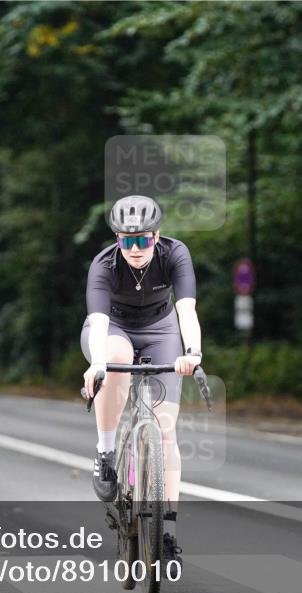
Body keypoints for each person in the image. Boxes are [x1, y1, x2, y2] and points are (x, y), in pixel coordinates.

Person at [81, 195, 203, 565]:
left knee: (166, 433)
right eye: (127, 240)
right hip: (112, 329)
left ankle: (165, 535)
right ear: (117, 239)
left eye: (144, 239)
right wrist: (97, 363)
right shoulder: (104, 265)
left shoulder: (175, 254)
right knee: (115, 360)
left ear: (157, 236)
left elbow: (187, 310)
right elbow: (99, 323)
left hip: (161, 330)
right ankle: (106, 453)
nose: (136, 249)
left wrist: (193, 353)